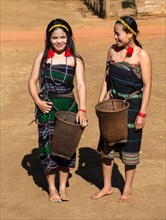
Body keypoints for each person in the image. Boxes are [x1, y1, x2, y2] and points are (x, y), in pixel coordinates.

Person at [91, 16, 152, 202]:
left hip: (133, 107)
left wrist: (142, 114)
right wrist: (101, 101)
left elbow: (147, 86)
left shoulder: (142, 55)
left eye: (118, 34)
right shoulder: (112, 51)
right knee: (106, 148)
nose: (115, 37)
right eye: (114, 34)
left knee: (130, 150)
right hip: (112, 106)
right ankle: (107, 187)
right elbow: (106, 78)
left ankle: (127, 189)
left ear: (130, 34)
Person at [28, 18, 88, 202]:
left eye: (63, 37)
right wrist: (38, 102)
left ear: (68, 37)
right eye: (55, 37)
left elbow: (80, 84)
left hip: (68, 107)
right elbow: (32, 82)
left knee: (66, 147)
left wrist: (82, 109)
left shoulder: (75, 59)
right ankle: (52, 189)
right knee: (47, 147)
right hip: (47, 108)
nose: (59, 41)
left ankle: (63, 188)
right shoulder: (42, 57)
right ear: (49, 38)